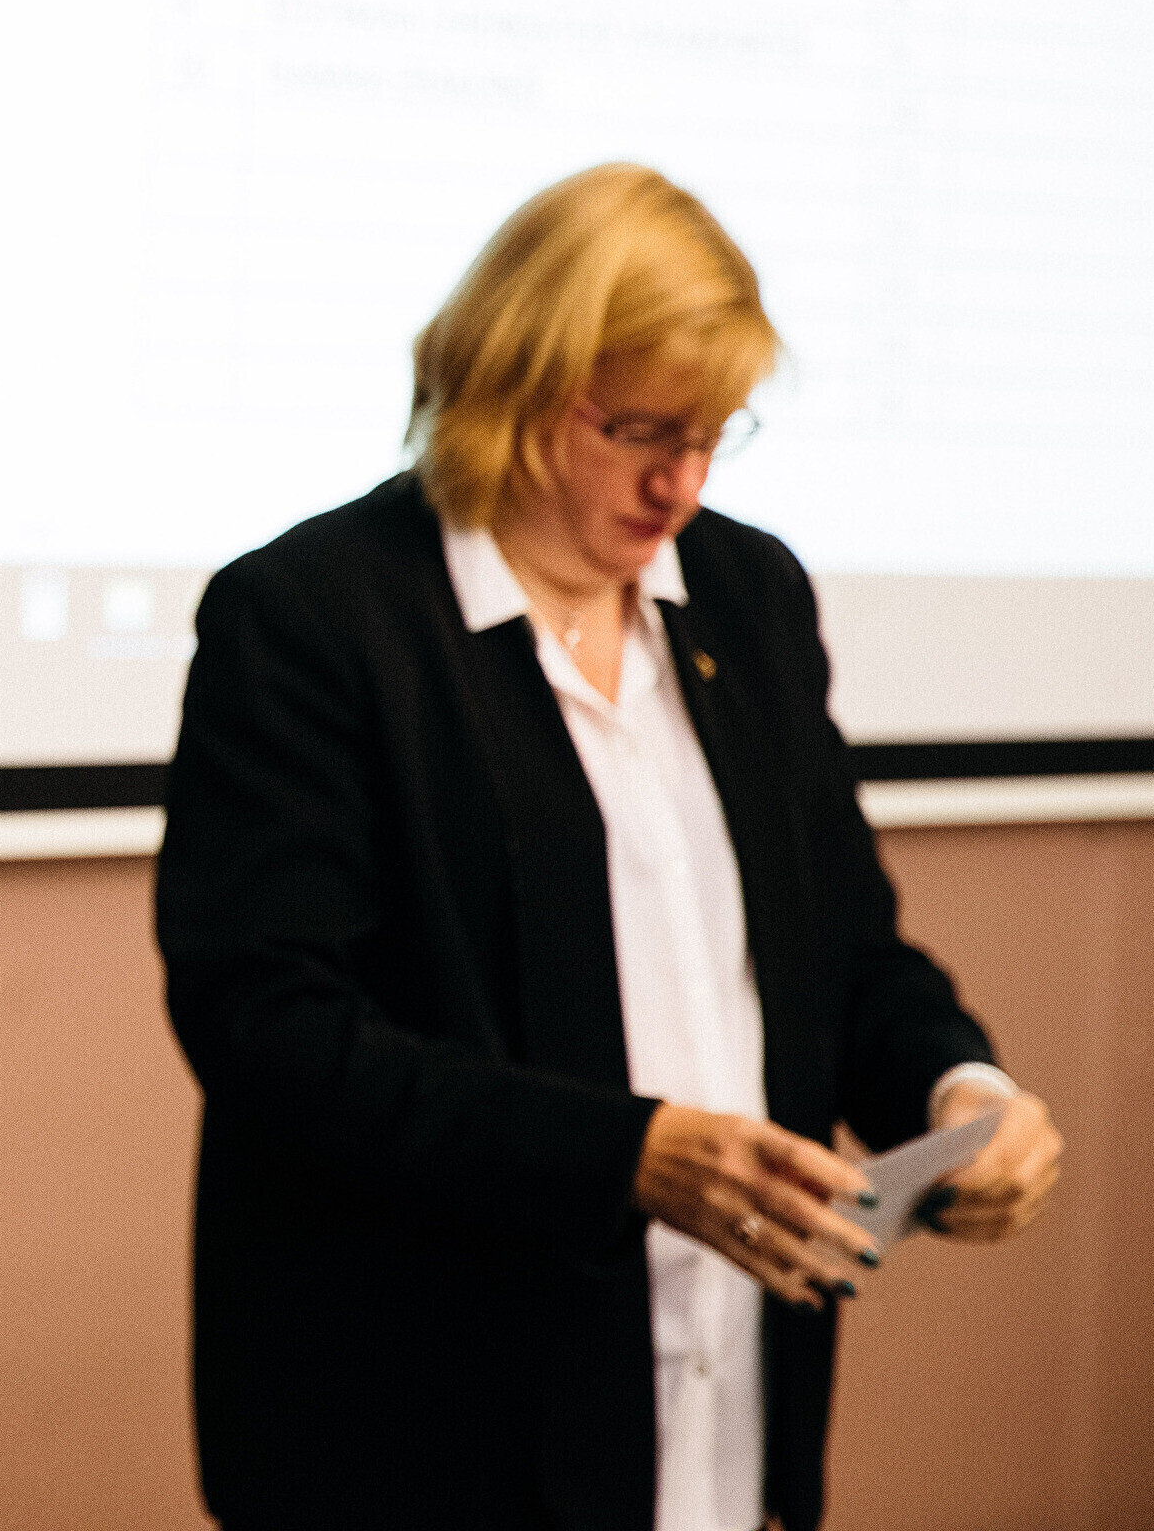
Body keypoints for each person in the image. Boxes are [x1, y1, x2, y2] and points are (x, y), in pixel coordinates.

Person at [154, 165, 1063, 1531]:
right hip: (425, 1420)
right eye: (640, 428)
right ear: (512, 379)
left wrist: (958, 1090)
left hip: (726, 1392)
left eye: (714, 434)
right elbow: (269, 1028)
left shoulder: (748, 595)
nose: (679, 482)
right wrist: (628, 1156)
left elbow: (843, 948)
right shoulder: (314, 618)